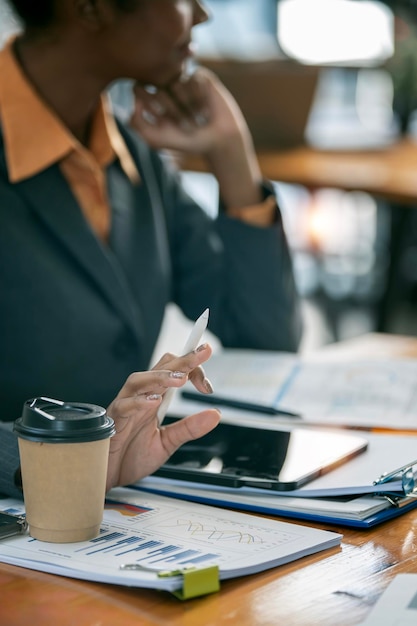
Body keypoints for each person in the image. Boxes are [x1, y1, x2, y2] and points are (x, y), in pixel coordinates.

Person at [0, 0, 302, 498]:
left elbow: (263, 337)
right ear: (92, 7)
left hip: (116, 515)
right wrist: (56, 460)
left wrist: (231, 154)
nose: (201, 14)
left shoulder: (131, 156)